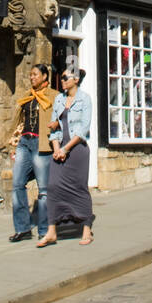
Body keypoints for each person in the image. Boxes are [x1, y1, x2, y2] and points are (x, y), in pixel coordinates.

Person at [39, 68, 94, 247]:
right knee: (53, 187)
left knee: (79, 188)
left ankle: (86, 229)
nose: (62, 80)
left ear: (76, 79)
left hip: (77, 150)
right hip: (60, 148)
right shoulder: (59, 99)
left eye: (65, 77)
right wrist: (56, 148)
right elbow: (54, 127)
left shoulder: (85, 99)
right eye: (61, 77)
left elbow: (83, 128)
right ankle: (52, 231)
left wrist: (66, 149)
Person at [8, 64, 54, 243]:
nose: (32, 77)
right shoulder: (27, 96)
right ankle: (22, 228)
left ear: (44, 76)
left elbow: (61, 118)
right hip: (24, 143)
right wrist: (13, 140)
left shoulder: (54, 96)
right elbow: (20, 121)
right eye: (30, 75)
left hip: (42, 144)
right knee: (17, 184)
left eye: (35, 74)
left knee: (43, 190)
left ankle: (44, 230)